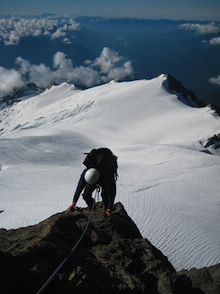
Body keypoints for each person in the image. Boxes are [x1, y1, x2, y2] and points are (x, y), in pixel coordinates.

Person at [67, 148, 118, 216]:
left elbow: (111, 193)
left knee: (105, 194)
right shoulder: (87, 173)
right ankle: (92, 207)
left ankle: (105, 208)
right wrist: (73, 203)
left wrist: (109, 209)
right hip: (95, 176)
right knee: (86, 195)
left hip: (104, 176)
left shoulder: (108, 175)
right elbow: (79, 187)